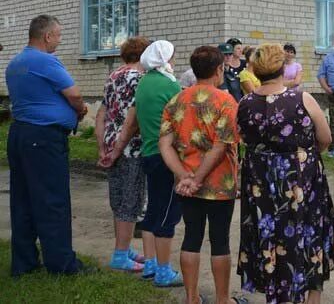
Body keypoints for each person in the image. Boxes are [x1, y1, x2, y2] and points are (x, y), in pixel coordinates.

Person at [238, 43, 334, 303]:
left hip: (260, 182)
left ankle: (278, 292)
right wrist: (302, 153)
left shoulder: (245, 102)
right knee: (307, 232)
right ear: (283, 68)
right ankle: (311, 296)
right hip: (300, 180)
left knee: (269, 234)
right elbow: (326, 138)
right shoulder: (301, 98)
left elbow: (243, 138)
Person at [159, 46, 246, 304]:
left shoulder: (177, 100)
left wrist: (184, 176)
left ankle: (191, 298)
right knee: (220, 241)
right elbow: (221, 146)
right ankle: (222, 299)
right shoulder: (225, 101)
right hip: (220, 183)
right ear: (219, 70)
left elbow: (164, 144)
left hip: (186, 184)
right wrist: (197, 179)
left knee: (191, 237)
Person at [5, 15, 88, 276]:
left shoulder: (15, 63)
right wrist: (81, 109)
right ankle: (62, 264)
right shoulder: (45, 60)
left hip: (19, 134)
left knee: (23, 199)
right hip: (43, 138)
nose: (60, 41)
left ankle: (24, 262)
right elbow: (73, 94)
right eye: (59, 35)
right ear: (47, 36)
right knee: (53, 200)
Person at [126, 40, 183, 286]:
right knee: (167, 215)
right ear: (164, 58)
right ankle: (163, 271)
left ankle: (149, 264)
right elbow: (184, 118)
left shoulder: (144, 82)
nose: (174, 60)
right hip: (167, 154)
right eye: (172, 56)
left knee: (153, 210)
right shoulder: (170, 84)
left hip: (149, 151)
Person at [94, 36, 151, 272]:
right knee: (131, 200)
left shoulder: (113, 76)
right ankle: (120, 255)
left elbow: (101, 115)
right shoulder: (140, 79)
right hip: (131, 148)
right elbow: (134, 120)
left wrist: (103, 148)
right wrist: (119, 147)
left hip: (111, 146)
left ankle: (124, 248)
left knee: (118, 199)